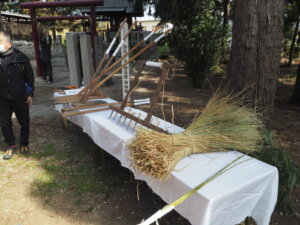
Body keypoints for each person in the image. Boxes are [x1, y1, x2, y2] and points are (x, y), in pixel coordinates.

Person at [0, 30, 34, 160]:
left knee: (24, 121)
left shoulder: (21, 58)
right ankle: (11, 144)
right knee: (5, 123)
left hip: (20, 96)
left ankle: (24, 143)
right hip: (2, 98)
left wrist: (30, 93)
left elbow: (29, 78)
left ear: (9, 44)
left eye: (0, 41)